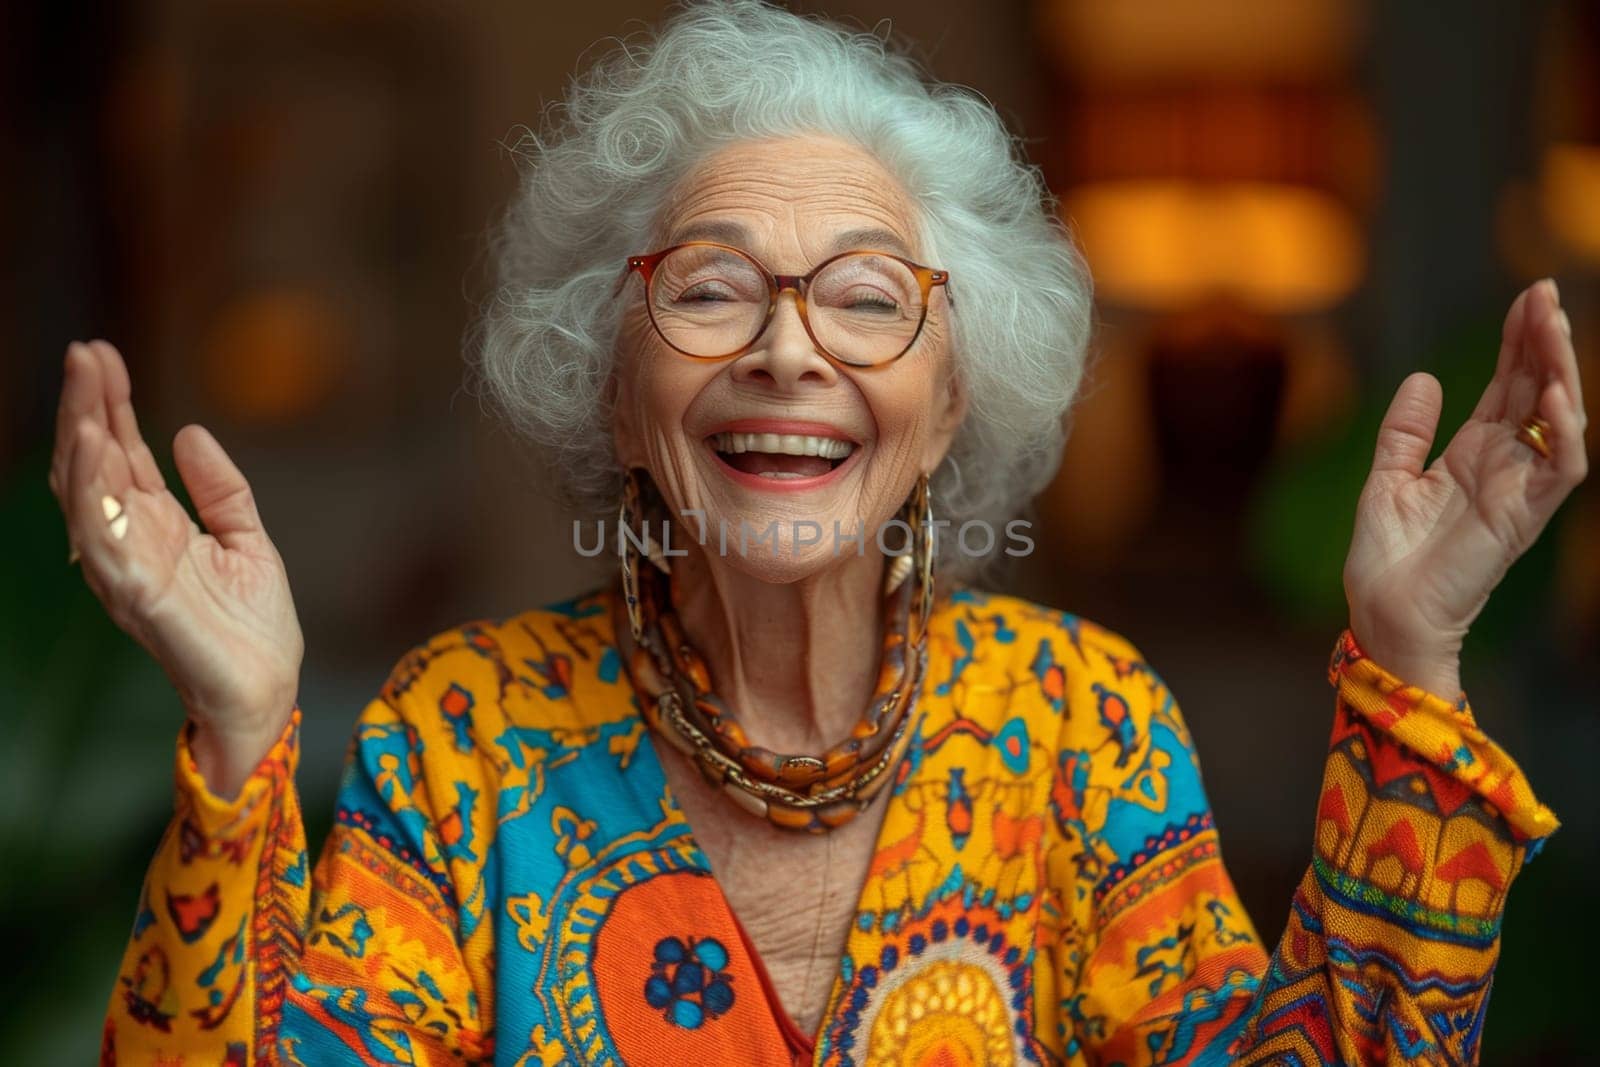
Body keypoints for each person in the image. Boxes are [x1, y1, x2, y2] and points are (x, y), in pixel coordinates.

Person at [60, 2, 1585, 1064]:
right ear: (613, 374)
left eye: (866, 298)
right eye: (713, 286)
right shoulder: (469, 739)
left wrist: (1414, 652)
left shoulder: (1081, 725)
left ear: (949, 393)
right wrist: (245, 720)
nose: (790, 351)